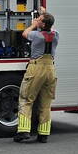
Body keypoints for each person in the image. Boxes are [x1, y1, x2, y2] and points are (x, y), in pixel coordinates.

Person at [15, 11, 58, 144]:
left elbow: (24, 33)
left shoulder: (36, 35)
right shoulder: (56, 35)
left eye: (39, 19)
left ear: (43, 24)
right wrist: (44, 14)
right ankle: (44, 134)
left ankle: (23, 131)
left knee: (26, 99)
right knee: (45, 104)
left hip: (36, 68)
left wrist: (33, 25)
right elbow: (52, 28)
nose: (36, 20)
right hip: (50, 69)